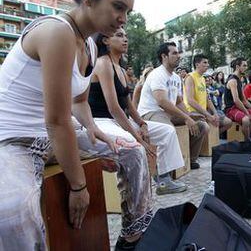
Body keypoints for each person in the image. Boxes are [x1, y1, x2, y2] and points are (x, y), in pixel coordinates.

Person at [0, 0, 149, 250]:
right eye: (118, 6)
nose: (123, 19)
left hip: (51, 136)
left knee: (131, 150)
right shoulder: (56, 32)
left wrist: (94, 131)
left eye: (127, 11)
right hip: (13, 139)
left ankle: (133, 237)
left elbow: (79, 101)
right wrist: (79, 186)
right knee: (13, 213)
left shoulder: (90, 44)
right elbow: (56, 122)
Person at [89, 28, 187, 196]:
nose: (125, 39)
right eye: (119, 36)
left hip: (118, 121)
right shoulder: (103, 63)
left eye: (126, 36)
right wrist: (135, 133)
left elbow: (127, 102)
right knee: (135, 146)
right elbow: (113, 108)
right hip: (102, 122)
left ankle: (163, 180)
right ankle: (135, 196)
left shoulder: (120, 68)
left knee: (167, 131)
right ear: (105, 41)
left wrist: (142, 123)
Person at [138, 42, 208, 170]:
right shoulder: (157, 74)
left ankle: (189, 161)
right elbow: (162, 102)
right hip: (151, 113)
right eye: (174, 53)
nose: (179, 56)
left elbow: (179, 102)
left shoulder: (176, 77)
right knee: (167, 130)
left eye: (178, 52)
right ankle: (164, 176)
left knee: (201, 125)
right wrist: (186, 118)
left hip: (168, 113)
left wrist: (189, 116)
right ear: (164, 56)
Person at [183, 54, 232, 134]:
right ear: (197, 64)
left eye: (207, 63)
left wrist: (215, 112)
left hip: (203, 112)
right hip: (193, 112)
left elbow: (207, 98)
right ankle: (209, 139)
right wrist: (208, 115)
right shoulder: (190, 77)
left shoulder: (202, 78)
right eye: (205, 63)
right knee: (206, 126)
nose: (207, 65)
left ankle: (214, 137)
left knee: (228, 122)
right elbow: (190, 100)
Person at [224, 58, 251, 141]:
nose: (246, 67)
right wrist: (246, 112)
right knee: (246, 119)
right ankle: (247, 141)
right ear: (237, 67)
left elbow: (244, 100)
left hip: (237, 107)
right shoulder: (232, 80)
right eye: (244, 65)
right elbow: (236, 100)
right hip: (230, 109)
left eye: (246, 65)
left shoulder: (239, 79)